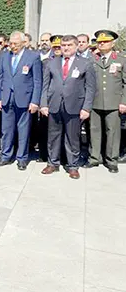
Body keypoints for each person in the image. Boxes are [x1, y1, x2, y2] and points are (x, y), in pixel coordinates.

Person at [40, 35, 96, 180]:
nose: (65, 48)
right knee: (53, 136)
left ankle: (72, 166)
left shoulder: (85, 63)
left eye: (69, 45)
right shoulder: (51, 63)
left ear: (76, 46)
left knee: (72, 138)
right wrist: (44, 104)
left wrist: (86, 108)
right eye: (63, 45)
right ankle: (52, 163)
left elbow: (90, 88)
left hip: (75, 106)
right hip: (54, 104)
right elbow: (45, 85)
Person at [0, 31, 42, 171]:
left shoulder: (33, 57)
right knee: (6, 130)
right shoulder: (5, 56)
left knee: (23, 130)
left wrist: (35, 101)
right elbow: (0, 78)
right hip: (7, 98)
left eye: (16, 44)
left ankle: (22, 158)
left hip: (25, 99)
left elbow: (37, 81)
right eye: (11, 43)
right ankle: (5, 155)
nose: (12, 46)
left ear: (23, 43)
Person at [85, 30, 126, 173]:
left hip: (114, 102)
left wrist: (124, 101)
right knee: (94, 130)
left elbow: (125, 82)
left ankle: (111, 160)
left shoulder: (121, 59)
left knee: (113, 132)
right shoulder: (91, 59)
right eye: (99, 42)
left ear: (112, 43)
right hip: (95, 101)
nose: (101, 44)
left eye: (105, 42)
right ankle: (94, 157)